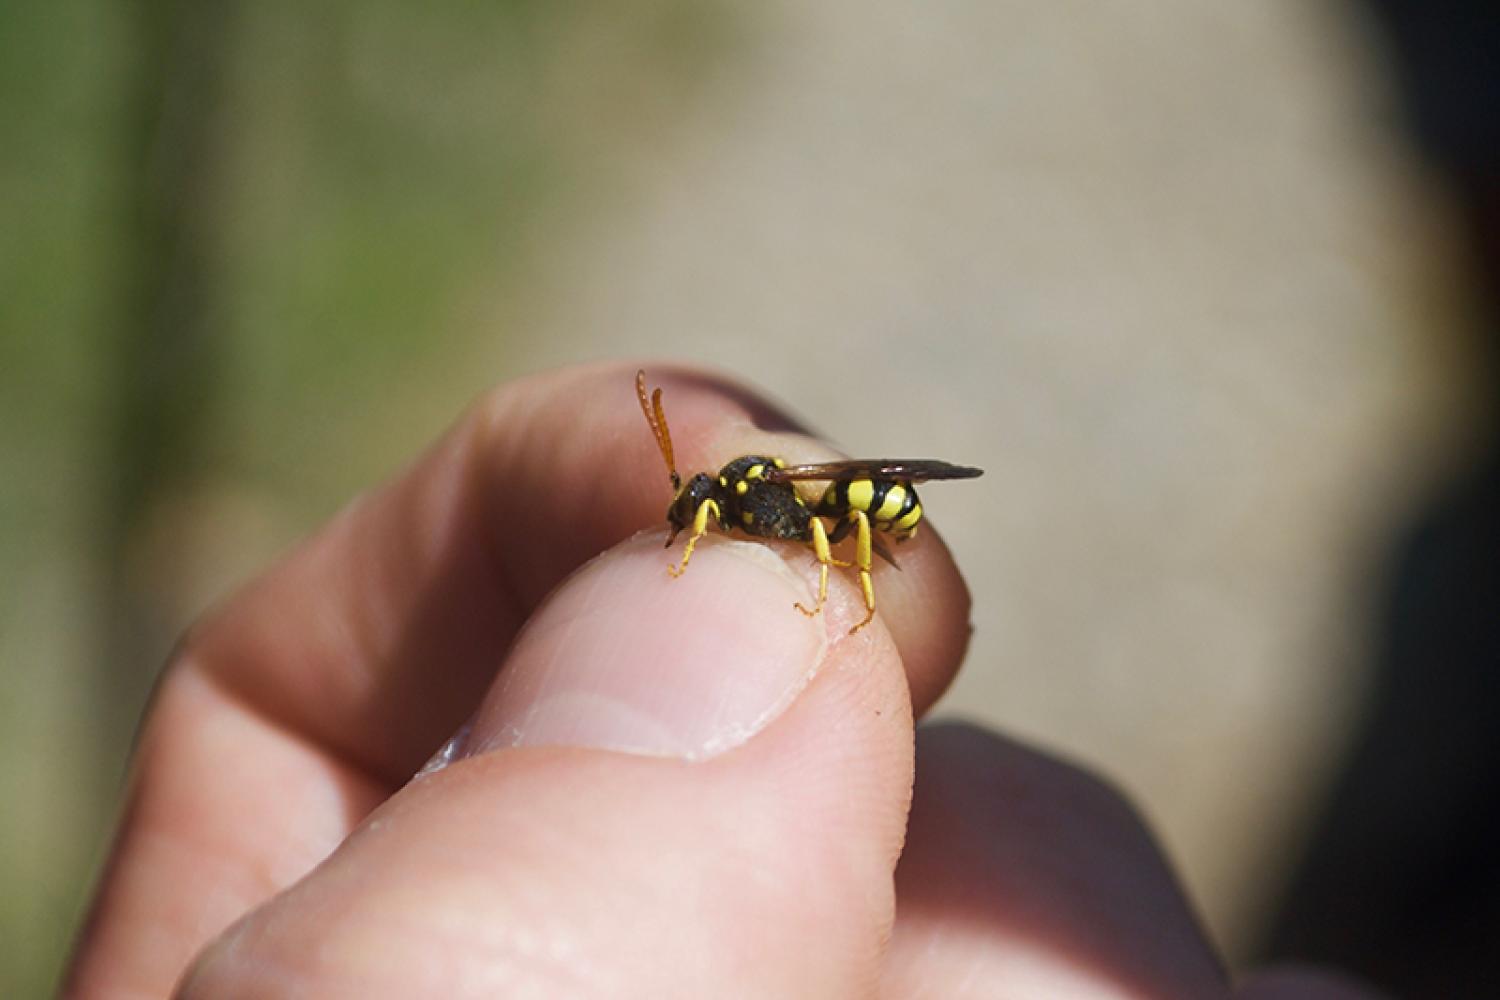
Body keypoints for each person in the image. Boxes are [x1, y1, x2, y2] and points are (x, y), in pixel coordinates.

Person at [63, 364, 1382, 998]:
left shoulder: (775, 516)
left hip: (869, 530)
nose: (696, 517)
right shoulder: (728, 502)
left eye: (698, 509)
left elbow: (835, 512)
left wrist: (833, 580)